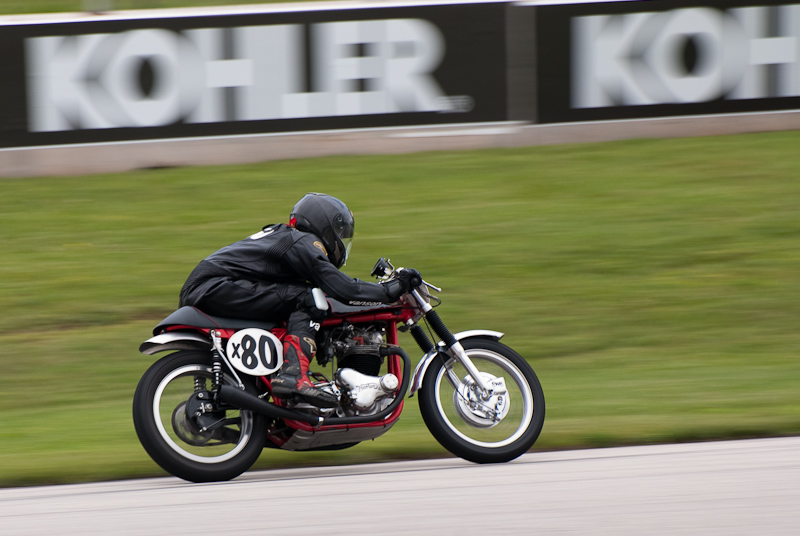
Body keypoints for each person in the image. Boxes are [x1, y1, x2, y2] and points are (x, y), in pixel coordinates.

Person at [179, 193, 420, 408]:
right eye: (340, 234)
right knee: (310, 299)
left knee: (299, 295)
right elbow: (342, 288)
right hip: (215, 285)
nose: (340, 241)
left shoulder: (286, 238)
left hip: (213, 285)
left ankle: (279, 380)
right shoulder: (302, 240)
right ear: (325, 226)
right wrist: (390, 290)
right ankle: (292, 376)